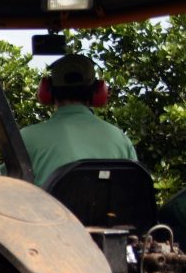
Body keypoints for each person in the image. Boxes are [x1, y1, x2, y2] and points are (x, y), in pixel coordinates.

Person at [19, 53, 137, 186]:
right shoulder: (121, 141)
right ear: (98, 91)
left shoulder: (27, 138)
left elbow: (1, 182)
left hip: (47, 208)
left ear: (47, 91)